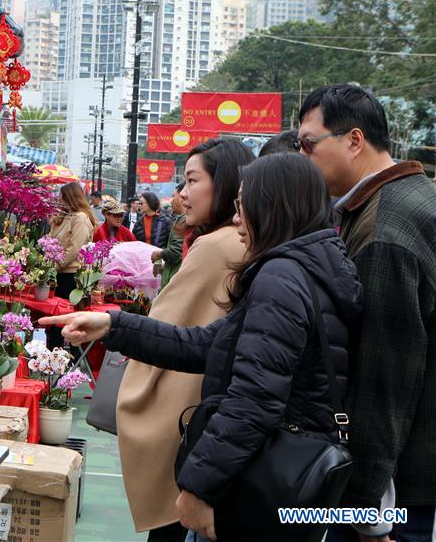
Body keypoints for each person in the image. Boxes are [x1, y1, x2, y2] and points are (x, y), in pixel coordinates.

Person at [41, 153, 362, 542]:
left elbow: (253, 399)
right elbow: (209, 343)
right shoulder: (314, 268)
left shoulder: (281, 277)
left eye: (245, 206)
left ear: (272, 207)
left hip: (255, 480)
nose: (238, 218)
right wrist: (113, 324)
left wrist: (198, 486)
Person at [298, 84, 436, 542]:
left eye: (308, 144)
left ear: (354, 141)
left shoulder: (385, 229)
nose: (303, 157)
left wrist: (366, 512)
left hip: (396, 488)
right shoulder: (405, 199)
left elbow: (384, 378)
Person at [112, 139, 255, 542]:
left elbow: (166, 328)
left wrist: (120, 332)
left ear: (225, 186)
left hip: (191, 424)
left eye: (192, 181)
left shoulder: (214, 246)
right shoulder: (245, 245)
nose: (182, 194)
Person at [47, 182, 98, 349]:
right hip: (59, 273)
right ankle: (53, 354)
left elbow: (74, 249)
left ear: (69, 197)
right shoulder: (66, 217)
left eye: (62, 196)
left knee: (65, 320)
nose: (59, 199)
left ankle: (66, 358)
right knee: (54, 320)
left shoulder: (80, 218)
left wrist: (55, 265)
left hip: (71, 275)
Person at [153, 183, 187, 289]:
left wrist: (159, 254)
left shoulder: (183, 220)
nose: (171, 200)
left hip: (174, 284)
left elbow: (175, 253)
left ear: (183, 196)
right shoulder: (180, 218)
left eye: (173, 196)